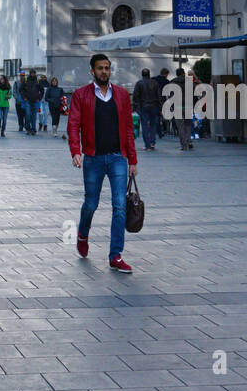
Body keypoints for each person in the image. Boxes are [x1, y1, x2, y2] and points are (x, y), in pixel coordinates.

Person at [68, 52, 138, 273]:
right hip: (93, 158)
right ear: (92, 71)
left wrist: (133, 160)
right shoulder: (81, 95)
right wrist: (75, 151)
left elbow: (128, 128)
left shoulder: (122, 95)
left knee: (119, 207)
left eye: (107, 68)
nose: (104, 72)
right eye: (100, 68)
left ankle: (115, 255)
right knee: (91, 204)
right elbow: (73, 124)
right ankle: (82, 234)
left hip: (118, 158)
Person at [132, 68, 162, 151]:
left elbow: (135, 96)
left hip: (143, 106)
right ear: (149, 74)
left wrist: (134, 107)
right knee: (153, 125)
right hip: (154, 106)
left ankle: (147, 145)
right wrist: (160, 108)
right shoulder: (155, 83)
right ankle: (152, 142)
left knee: (145, 125)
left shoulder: (139, 83)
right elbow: (159, 96)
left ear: (142, 74)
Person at [21, 70, 44, 135]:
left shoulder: (38, 81)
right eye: (32, 73)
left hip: (35, 100)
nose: (33, 74)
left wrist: (39, 98)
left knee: (34, 116)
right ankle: (28, 128)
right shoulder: (26, 80)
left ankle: (33, 129)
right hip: (27, 100)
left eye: (34, 73)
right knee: (28, 114)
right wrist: (24, 97)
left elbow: (42, 91)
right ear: (30, 73)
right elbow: (21, 89)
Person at [152, 66, 171, 135]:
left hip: (153, 100)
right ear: (165, 74)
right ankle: (164, 129)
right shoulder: (166, 81)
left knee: (155, 115)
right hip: (162, 100)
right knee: (163, 115)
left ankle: (156, 129)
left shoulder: (153, 79)